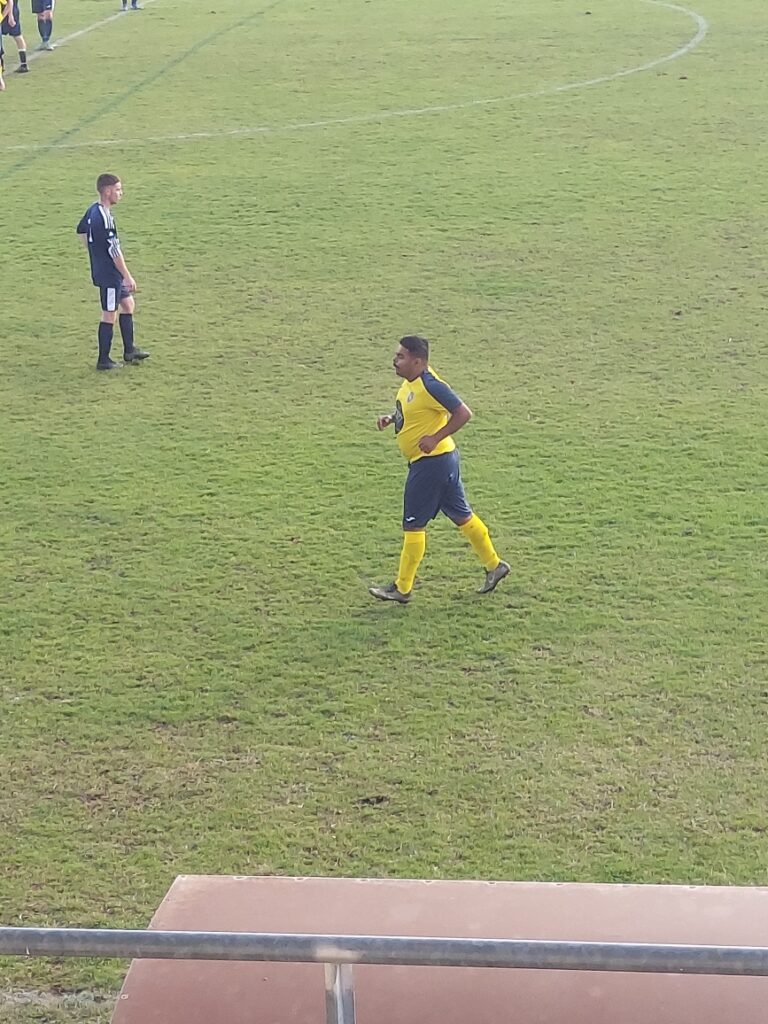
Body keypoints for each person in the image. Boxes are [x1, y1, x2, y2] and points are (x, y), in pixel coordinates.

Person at [369, 335, 509, 603]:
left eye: (401, 356)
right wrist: (392, 418)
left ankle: (402, 588)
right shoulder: (411, 383)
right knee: (463, 516)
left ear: (417, 361)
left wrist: (435, 438)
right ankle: (495, 565)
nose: (395, 360)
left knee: (413, 525)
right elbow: (416, 410)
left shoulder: (431, 385)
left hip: (430, 465)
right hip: (443, 462)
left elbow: (463, 413)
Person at [76, 173, 149, 371]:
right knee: (109, 314)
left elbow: (81, 230)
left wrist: (93, 252)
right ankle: (103, 360)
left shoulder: (93, 210)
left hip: (109, 272)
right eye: (118, 189)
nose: (121, 193)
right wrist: (127, 275)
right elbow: (114, 251)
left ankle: (129, 350)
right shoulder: (105, 218)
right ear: (107, 191)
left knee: (128, 304)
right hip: (109, 275)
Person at [1, 0, 29, 73]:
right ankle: (23, 64)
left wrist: (10, 15)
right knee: (17, 35)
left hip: (8, 10)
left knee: (17, 35)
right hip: (9, 10)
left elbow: (10, 1)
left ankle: (23, 64)